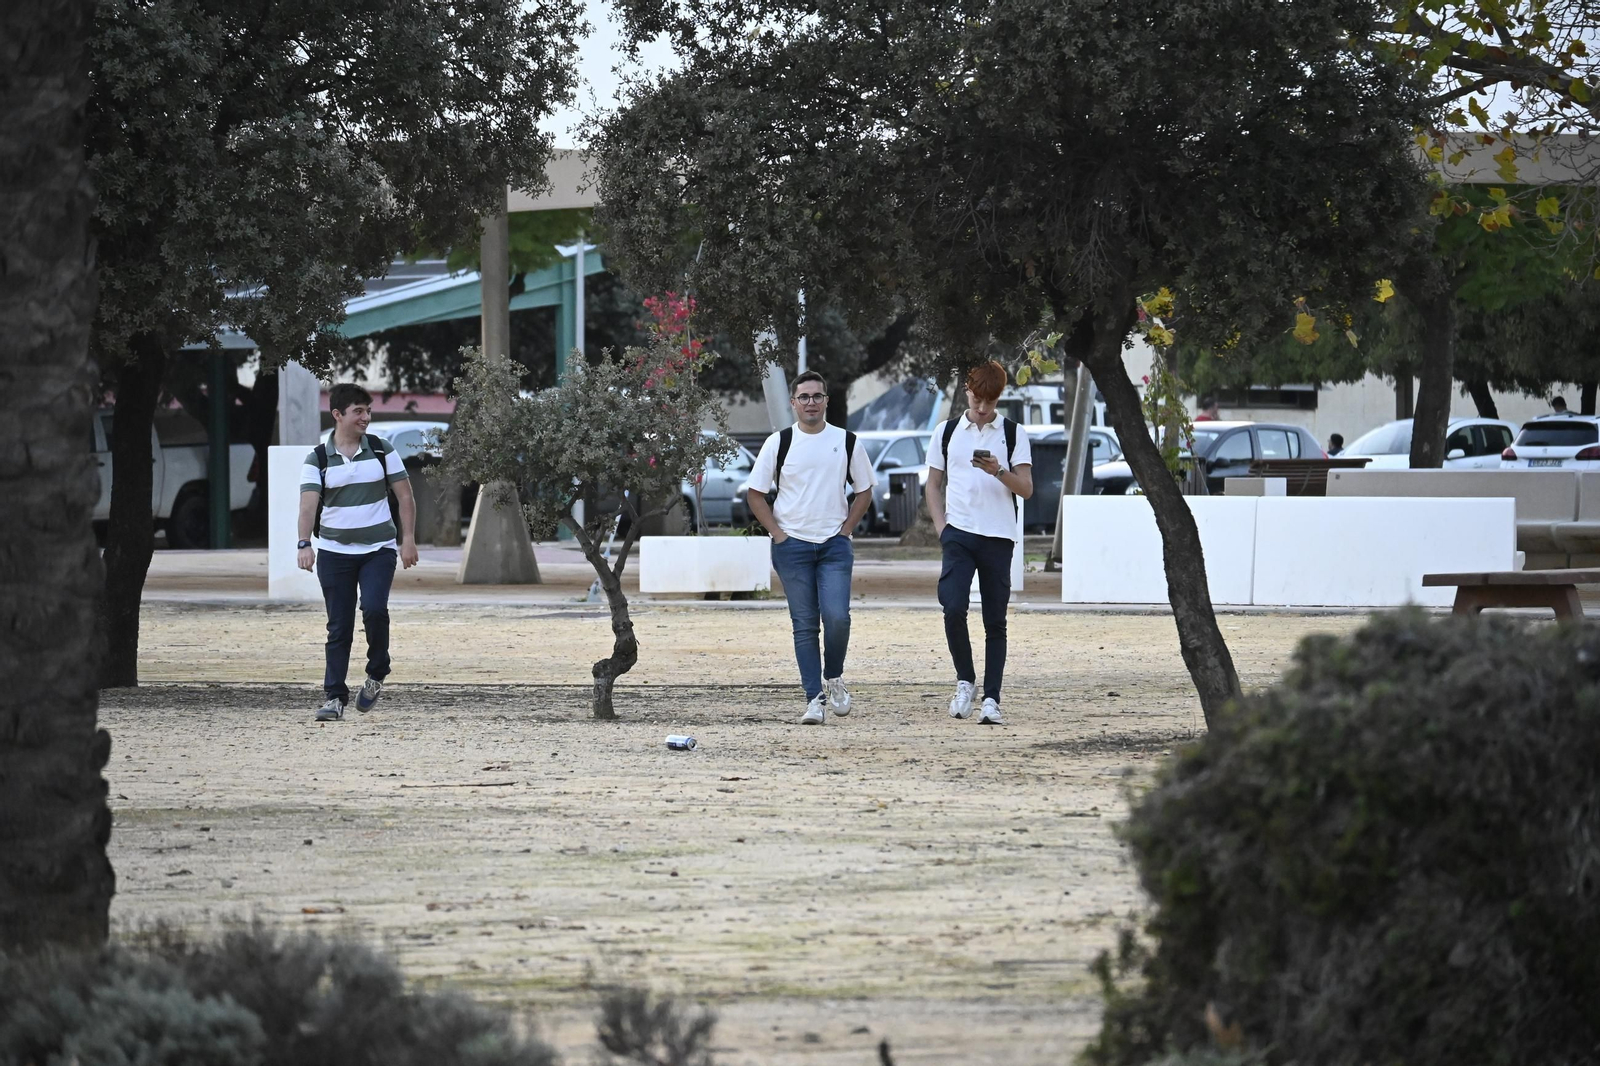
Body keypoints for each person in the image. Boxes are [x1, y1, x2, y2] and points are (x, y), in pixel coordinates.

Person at [746, 371, 877, 725]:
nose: (811, 403)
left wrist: (846, 530)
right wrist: (778, 534)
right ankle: (813, 699)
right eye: (803, 397)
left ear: (826, 401)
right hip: (792, 546)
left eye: (817, 396)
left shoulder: (847, 441)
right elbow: (755, 494)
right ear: (793, 403)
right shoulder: (779, 442)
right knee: (804, 625)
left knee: (837, 617)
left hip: (834, 545)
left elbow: (864, 490)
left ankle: (833, 676)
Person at [297, 384, 419, 721]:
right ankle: (334, 697)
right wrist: (304, 543)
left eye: (368, 411)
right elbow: (307, 506)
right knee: (339, 627)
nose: (366, 417)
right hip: (334, 553)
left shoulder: (381, 449)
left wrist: (408, 539)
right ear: (338, 415)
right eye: (358, 411)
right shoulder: (318, 458)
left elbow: (405, 496)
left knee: (375, 610)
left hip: (378, 550)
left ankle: (377, 672)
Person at [926, 360, 1033, 726]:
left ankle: (992, 698)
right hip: (958, 533)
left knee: (994, 620)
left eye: (991, 400)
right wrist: (942, 528)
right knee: (953, 606)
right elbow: (933, 485)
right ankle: (965, 680)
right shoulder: (946, 431)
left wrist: (998, 471)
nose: (983, 407)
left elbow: (1027, 489)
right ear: (967, 392)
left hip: (998, 536)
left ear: (999, 397)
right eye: (977, 399)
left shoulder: (1014, 433)